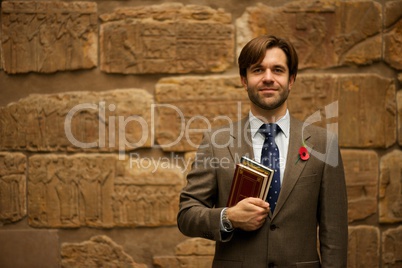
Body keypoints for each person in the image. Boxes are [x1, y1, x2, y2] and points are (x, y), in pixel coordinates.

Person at [177, 35, 348, 267]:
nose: (268, 78)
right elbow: (187, 215)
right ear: (244, 80)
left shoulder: (323, 143)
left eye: (278, 70)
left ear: (291, 80)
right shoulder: (216, 142)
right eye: (258, 70)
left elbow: (335, 233)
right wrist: (228, 217)